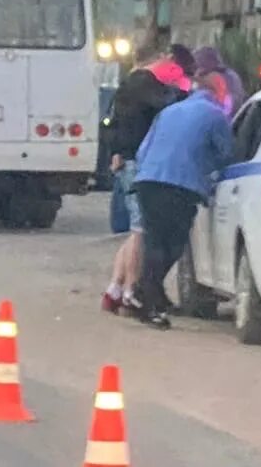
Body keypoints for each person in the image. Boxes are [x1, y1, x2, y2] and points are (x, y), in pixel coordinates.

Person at [130, 82, 235, 328]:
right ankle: (146, 299)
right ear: (219, 95)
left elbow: (142, 151)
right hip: (181, 185)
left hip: (148, 181)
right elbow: (226, 154)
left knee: (155, 240)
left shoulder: (168, 111)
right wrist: (207, 170)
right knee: (173, 245)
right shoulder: (216, 116)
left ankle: (149, 294)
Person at [100, 54, 189, 314]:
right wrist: (185, 94)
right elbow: (166, 105)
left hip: (127, 161)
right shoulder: (145, 83)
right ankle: (130, 291)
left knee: (135, 231)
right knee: (142, 230)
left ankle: (114, 290)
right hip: (137, 164)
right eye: (176, 73)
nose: (177, 80)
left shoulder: (130, 85)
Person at [192, 45, 246, 116]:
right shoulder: (200, 78)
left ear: (210, 61)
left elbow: (233, 104)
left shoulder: (230, 77)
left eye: (200, 63)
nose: (198, 68)